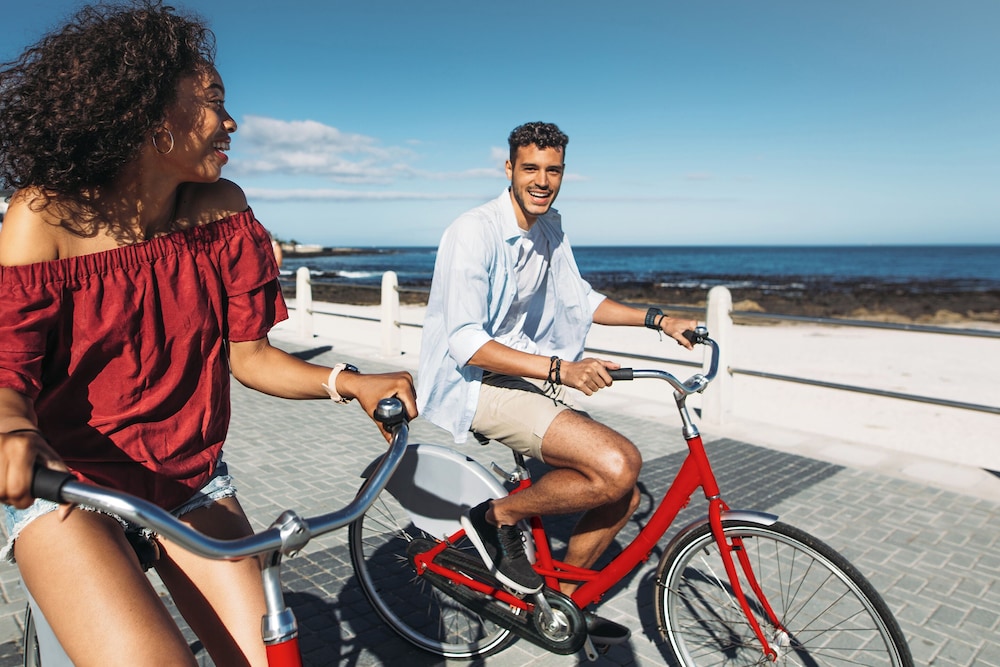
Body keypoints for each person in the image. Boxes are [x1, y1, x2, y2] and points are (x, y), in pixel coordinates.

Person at [0, 3, 417, 666]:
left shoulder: (223, 213)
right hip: (72, 484)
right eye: (213, 101)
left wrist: (349, 382)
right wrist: (13, 432)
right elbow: (8, 371)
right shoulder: (43, 215)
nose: (231, 121)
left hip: (188, 477)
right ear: (144, 112)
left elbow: (251, 358)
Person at [417, 121, 697, 644]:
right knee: (617, 465)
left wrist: (658, 320)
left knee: (622, 493)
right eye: (530, 168)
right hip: (475, 379)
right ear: (509, 169)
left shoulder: (549, 227)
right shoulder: (473, 232)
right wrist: (561, 370)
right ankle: (493, 519)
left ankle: (557, 606)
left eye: (554, 171)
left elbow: (580, 299)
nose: (542, 181)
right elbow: (465, 342)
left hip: (526, 371)